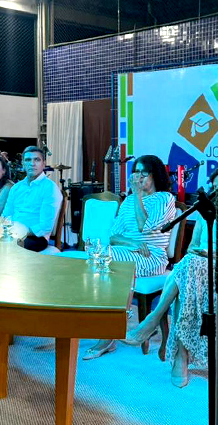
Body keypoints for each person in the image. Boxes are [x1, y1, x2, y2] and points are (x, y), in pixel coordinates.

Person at [123, 163, 218, 387]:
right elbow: (192, 248)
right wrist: (201, 254)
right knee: (188, 268)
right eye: (216, 187)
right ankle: (177, 352)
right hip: (199, 268)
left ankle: (160, 328)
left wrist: (210, 254)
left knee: (186, 270)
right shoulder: (206, 212)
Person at [83, 154, 176, 361]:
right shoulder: (128, 202)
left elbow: (145, 226)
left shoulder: (164, 199)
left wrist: (138, 195)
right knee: (96, 257)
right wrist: (132, 243)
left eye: (144, 173)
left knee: (105, 259)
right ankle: (107, 327)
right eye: (136, 172)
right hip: (129, 251)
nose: (139, 177)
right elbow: (114, 236)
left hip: (152, 257)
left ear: (155, 175)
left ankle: (109, 334)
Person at [1, 146, 63, 252]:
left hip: (35, 237)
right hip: (12, 233)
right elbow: (6, 215)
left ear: (43, 164)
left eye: (37, 160)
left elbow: (45, 226)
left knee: (7, 248)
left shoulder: (50, 188)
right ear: (23, 164)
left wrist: (21, 233)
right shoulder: (16, 188)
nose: (32, 163)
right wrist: (9, 230)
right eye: (28, 160)